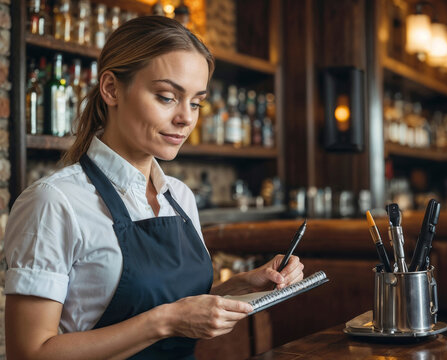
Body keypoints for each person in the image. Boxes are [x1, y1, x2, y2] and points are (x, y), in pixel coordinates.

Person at [4, 16, 304, 360]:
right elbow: (28, 352)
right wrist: (165, 322)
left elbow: (170, 301)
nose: (186, 118)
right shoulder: (54, 201)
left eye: (195, 102)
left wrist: (240, 286)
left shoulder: (179, 196)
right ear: (111, 89)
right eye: (166, 97)